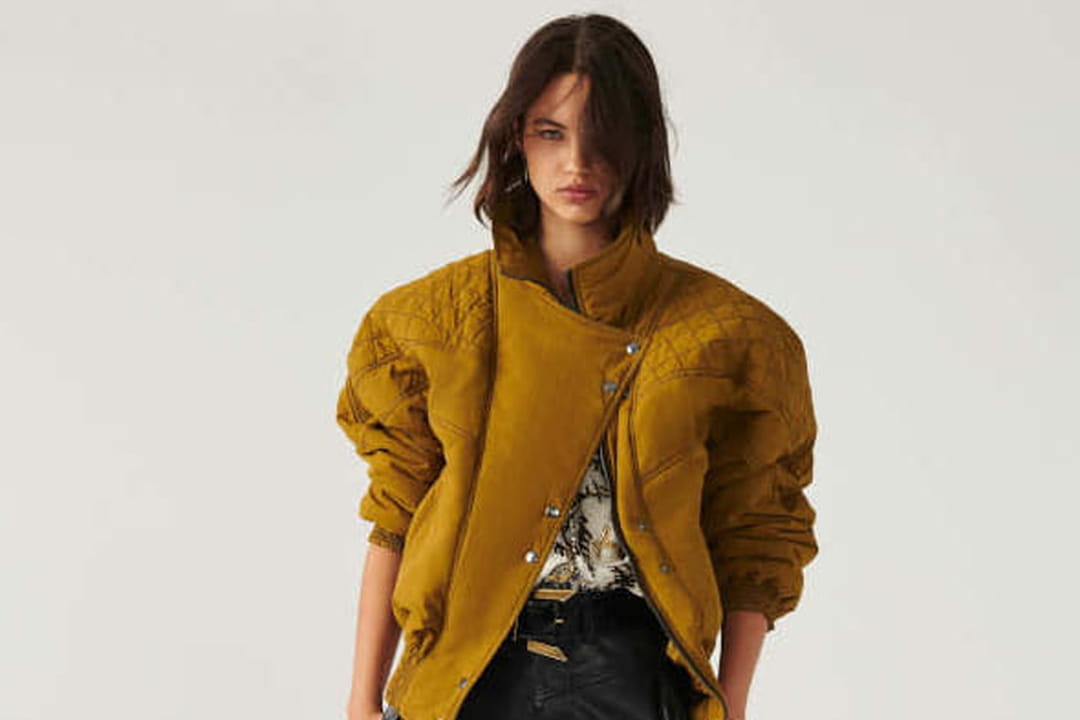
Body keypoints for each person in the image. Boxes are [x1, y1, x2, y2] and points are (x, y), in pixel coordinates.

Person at [336, 13, 818, 720]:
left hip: (632, 675)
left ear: (641, 144)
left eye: (603, 136)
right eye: (551, 133)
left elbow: (756, 533)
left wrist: (732, 703)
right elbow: (396, 516)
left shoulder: (731, 335)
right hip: (467, 675)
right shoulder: (428, 321)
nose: (577, 164)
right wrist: (360, 702)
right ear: (515, 138)